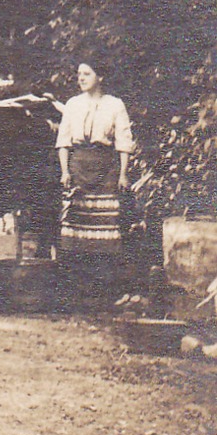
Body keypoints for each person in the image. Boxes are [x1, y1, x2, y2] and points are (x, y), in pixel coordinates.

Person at [55, 61, 136, 306]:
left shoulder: (115, 104)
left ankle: (107, 292)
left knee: (105, 228)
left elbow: (123, 141)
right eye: (78, 74)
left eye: (87, 73)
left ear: (100, 76)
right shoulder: (72, 104)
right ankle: (79, 291)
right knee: (76, 227)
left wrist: (123, 174)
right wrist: (64, 171)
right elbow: (63, 141)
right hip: (78, 168)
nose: (81, 78)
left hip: (106, 168)